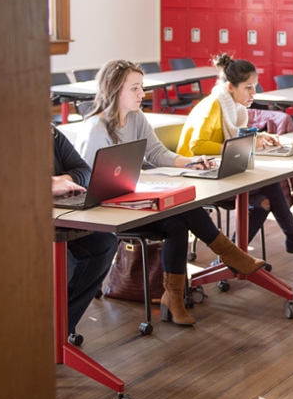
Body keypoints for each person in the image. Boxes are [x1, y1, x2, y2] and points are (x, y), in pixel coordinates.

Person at [77, 59, 265, 327]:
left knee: (177, 220)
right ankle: (230, 255)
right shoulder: (96, 128)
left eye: (142, 87)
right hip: (109, 211)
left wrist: (190, 161)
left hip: (134, 200)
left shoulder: (137, 117)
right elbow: (91, 185)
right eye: (136, 88)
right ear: (116, 90)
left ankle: (173, 297)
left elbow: (156, 153)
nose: (143, 94)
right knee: (181, 210)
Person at [176, 54, 293, 254]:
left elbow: (229, 138)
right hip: (197, 175)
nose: (254, 92)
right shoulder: (212, 106)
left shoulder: (233, 107)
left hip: (219, 169)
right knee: (268, 183)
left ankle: (234, 255)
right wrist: (242, 146)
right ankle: (292, 236)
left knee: (264, 201)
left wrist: (257, 137)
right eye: (248, 87)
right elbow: (197, 146)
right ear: (230, 88)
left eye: (255, 86)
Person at [52, 125, 116, 337]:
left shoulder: (51, 133)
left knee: (104, 243)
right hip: (19, 221)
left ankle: (59, 332)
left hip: (62, 218)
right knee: (64, 261)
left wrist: (61, 181)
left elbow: (85, 171)